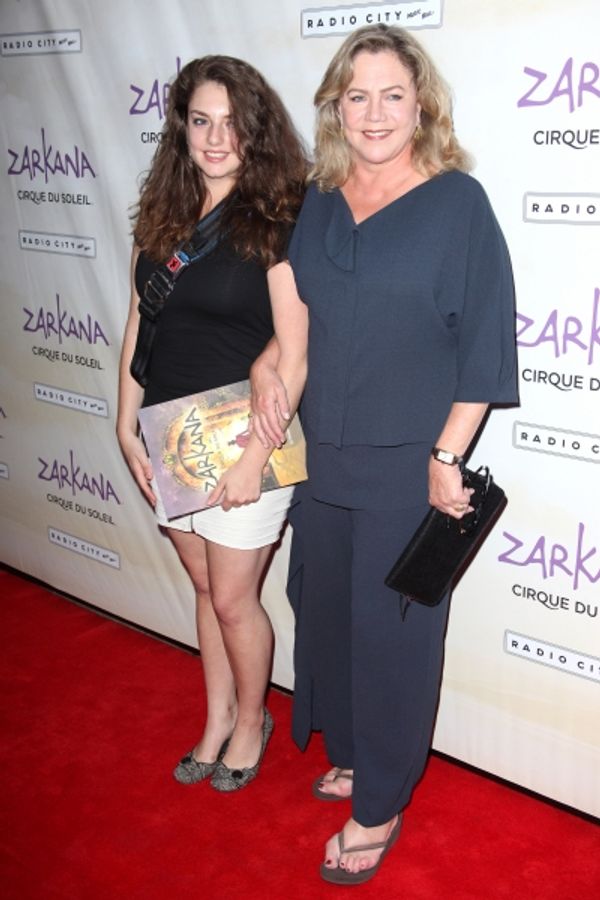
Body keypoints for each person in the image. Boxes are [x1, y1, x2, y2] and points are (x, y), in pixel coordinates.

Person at [250, 25, 518, 884]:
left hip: (410, 468)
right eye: (355, 95)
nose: (374, 113)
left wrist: (447, 456)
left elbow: (483, 348)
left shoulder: (456, 205)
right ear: (335, 106)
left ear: (422, 104)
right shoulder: (319, 200)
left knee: (395, 633)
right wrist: (265, 371)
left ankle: (381, 801)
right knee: (326, 613)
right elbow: (295, 328)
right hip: (321, 461)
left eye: (392, 95)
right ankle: (360, 750)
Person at [117, 56, 308, 792]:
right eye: (201, 120)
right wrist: (124, 423)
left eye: (232, 122)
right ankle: (217, 716)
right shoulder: (162, 211)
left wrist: (252, 458)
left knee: (232, 599)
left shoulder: (279, 219)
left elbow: (294, 353)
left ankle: (252, 718)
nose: (216, 137)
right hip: (168, 433)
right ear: (181, 128)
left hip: (242, 440)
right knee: (204, 595)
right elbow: (140, 315)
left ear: (255, 130)